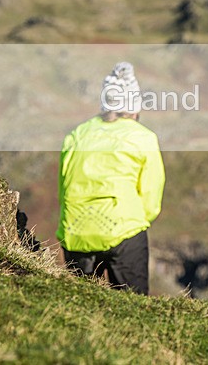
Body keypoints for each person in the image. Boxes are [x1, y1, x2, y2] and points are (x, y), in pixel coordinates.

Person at [57, 61, 165, 295]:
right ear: (134, 107)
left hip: (76, 232)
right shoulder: (143, 137)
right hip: (124, 232)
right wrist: (135, 220)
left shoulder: (76, 135)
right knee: (133, 309)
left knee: (79, 306)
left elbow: (64, 188)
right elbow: (151, 197)